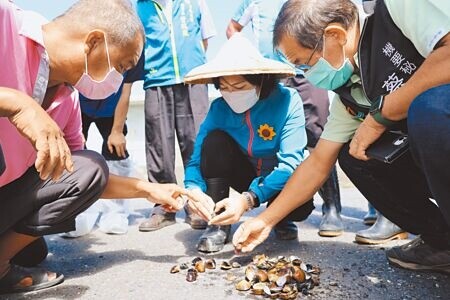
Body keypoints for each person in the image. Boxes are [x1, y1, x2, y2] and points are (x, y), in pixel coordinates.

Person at [230, 0, 450, 274]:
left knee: (431, 108)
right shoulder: (353, 91)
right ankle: (442, 242)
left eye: (304, 64)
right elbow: (318, 163)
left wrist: (382, 113)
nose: (306, 75)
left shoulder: (396, 9)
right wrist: (265, 220)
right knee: (354, 152)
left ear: (335, 35)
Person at [0, 0, 190, 293]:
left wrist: (149, 189)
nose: (120, 79)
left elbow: (80, 177)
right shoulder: (5, 23)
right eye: (122, 66)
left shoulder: (69, 101)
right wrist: (15, 103)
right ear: (93, 42)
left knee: (33, 248)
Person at [183, 33, 314, 253]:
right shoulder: (219, 109)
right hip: (245, 174)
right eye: (224, 87)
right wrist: (192, 189)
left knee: (300, 208)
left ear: (260, 80)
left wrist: (250, 199)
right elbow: (197, 159)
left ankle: (279, 215)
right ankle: (219, 222)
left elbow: (291, 163)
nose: (231, 93)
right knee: (214, 141)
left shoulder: (288, 100)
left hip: (281, 180)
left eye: (240, 86)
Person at [226, 0, 344, 237]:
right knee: (274, 137)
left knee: (320, 134)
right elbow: (232, 28)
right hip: (270, 75)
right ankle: (278, 212)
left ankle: (332, 208)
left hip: (308, 70)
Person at [136, 0, 217, 232]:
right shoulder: (139, 7)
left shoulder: (196, 2)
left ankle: (197, 203)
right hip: (156, 81)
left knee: (196, 142)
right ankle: (164, 206)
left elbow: (204, 39)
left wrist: (189, 66)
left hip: (193, 80)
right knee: (158, 146)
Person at [64, 70, 140, 237]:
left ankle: (116, 213)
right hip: (79, 104)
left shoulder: (131, 51)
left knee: (116, 150)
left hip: (111, 108)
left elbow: (125, 91)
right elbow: (68, 85)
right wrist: (72, 123)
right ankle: (78, 214)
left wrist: (117, 131)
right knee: (75, 154)